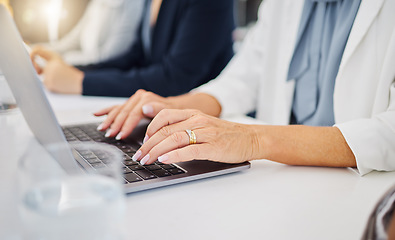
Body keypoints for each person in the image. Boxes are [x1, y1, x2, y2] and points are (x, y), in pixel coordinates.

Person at [92, 0, 395, 173]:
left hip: (358, 186)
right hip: (288, 178)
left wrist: (254, 140)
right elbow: (245, 76)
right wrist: (178, 105)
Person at [30, 0, 235, 97]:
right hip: (162, 114)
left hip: (205, 121)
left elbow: (175, 79)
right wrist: (72, 70)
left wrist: (81, 82)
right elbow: (134, 57)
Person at [36, 0, 144, 66]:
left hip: (96, 74)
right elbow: (74, 40)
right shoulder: (96, 2)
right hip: (79, 66)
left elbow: (111, 56)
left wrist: (62, 60)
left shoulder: (133, 2)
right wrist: (39, 49)